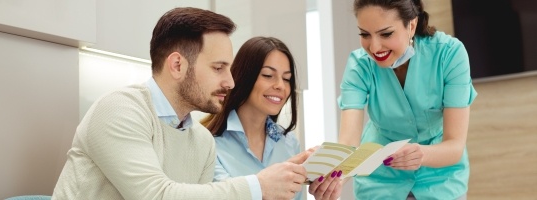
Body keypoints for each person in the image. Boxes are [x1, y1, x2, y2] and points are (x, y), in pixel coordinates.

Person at [52, 7, 307, 200]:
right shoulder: (119, 110)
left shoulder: (201, 141)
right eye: (218, 68)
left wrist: (296, 180)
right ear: (177, 65)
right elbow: (157, 195)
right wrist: (258, 186)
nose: (230, 82)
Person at [337, 0, 477, 199]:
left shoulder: (449, 54)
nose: (374, 47)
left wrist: (422, 154)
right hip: (379, 180)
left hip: (440, 180)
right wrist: (337, 176)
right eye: (365, 34)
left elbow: (455, 146)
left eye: (386, 34)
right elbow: (349, 141)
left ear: (411, 25)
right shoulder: (359, 66)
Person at [201, 36, 345, 200]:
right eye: (268, 75)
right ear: (244, 76)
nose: (280, 86)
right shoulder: (208, 144)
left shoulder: (289, 143)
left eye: (286, 79)